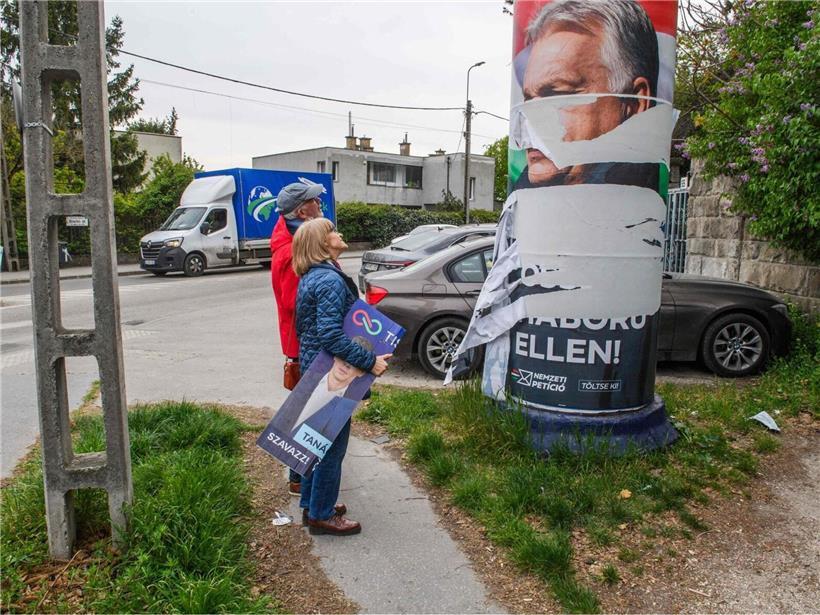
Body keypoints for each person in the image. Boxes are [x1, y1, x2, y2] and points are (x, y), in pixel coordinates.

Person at [292, 218, 391, 536]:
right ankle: (321, 515)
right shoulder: (329, 280)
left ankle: (311, 505)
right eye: (332, 231)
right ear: (322, 243)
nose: (339, 234)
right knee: (331, 447)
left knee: (317, 442)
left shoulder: (314, 276)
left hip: (316, 369)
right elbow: (331, 335)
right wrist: (370, 362)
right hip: (330, 374)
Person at [514, 0, 660, 190]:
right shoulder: (522, 197)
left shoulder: (640, 202)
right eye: (528, 101)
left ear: (636, 103)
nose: (529, 123)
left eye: (557, 95)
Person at [269, 181, 324, 496]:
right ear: (303, 211)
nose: (320, 204)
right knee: (307, 411)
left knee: (307, 408)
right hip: (306, 344)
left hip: (307, 342)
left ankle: (302, 477)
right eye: (316, 201)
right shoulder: (291, 251)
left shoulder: (296, 239)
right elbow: (295, 302)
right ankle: (299, 478)